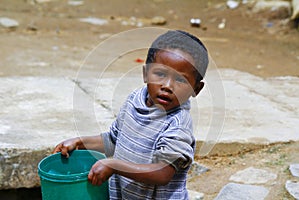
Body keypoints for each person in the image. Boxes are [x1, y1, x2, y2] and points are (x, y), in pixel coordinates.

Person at [53, 30, 209, 199]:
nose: (167, 86)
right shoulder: (135, 101)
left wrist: (114, 166)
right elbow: (114, 140)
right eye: (160, 74)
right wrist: (79, 143)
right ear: (145, 74)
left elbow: (163, 173)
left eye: (180, 80)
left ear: (196, 89)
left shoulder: (177, 125)